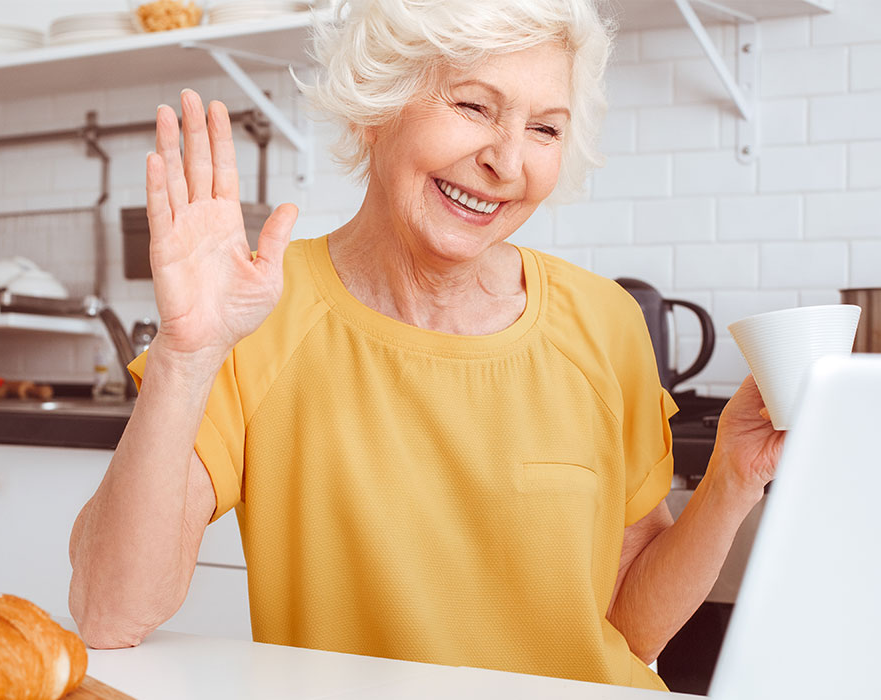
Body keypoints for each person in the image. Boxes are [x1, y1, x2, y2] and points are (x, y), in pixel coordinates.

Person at [69, 0, 783, 690]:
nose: (507, 160)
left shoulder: (604, 322)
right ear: (375, 106)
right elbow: (109, 613)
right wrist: (187, 356)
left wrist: (730, 482)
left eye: (545, 128)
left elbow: (630, 632)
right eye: (473, 106)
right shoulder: (264, 320)